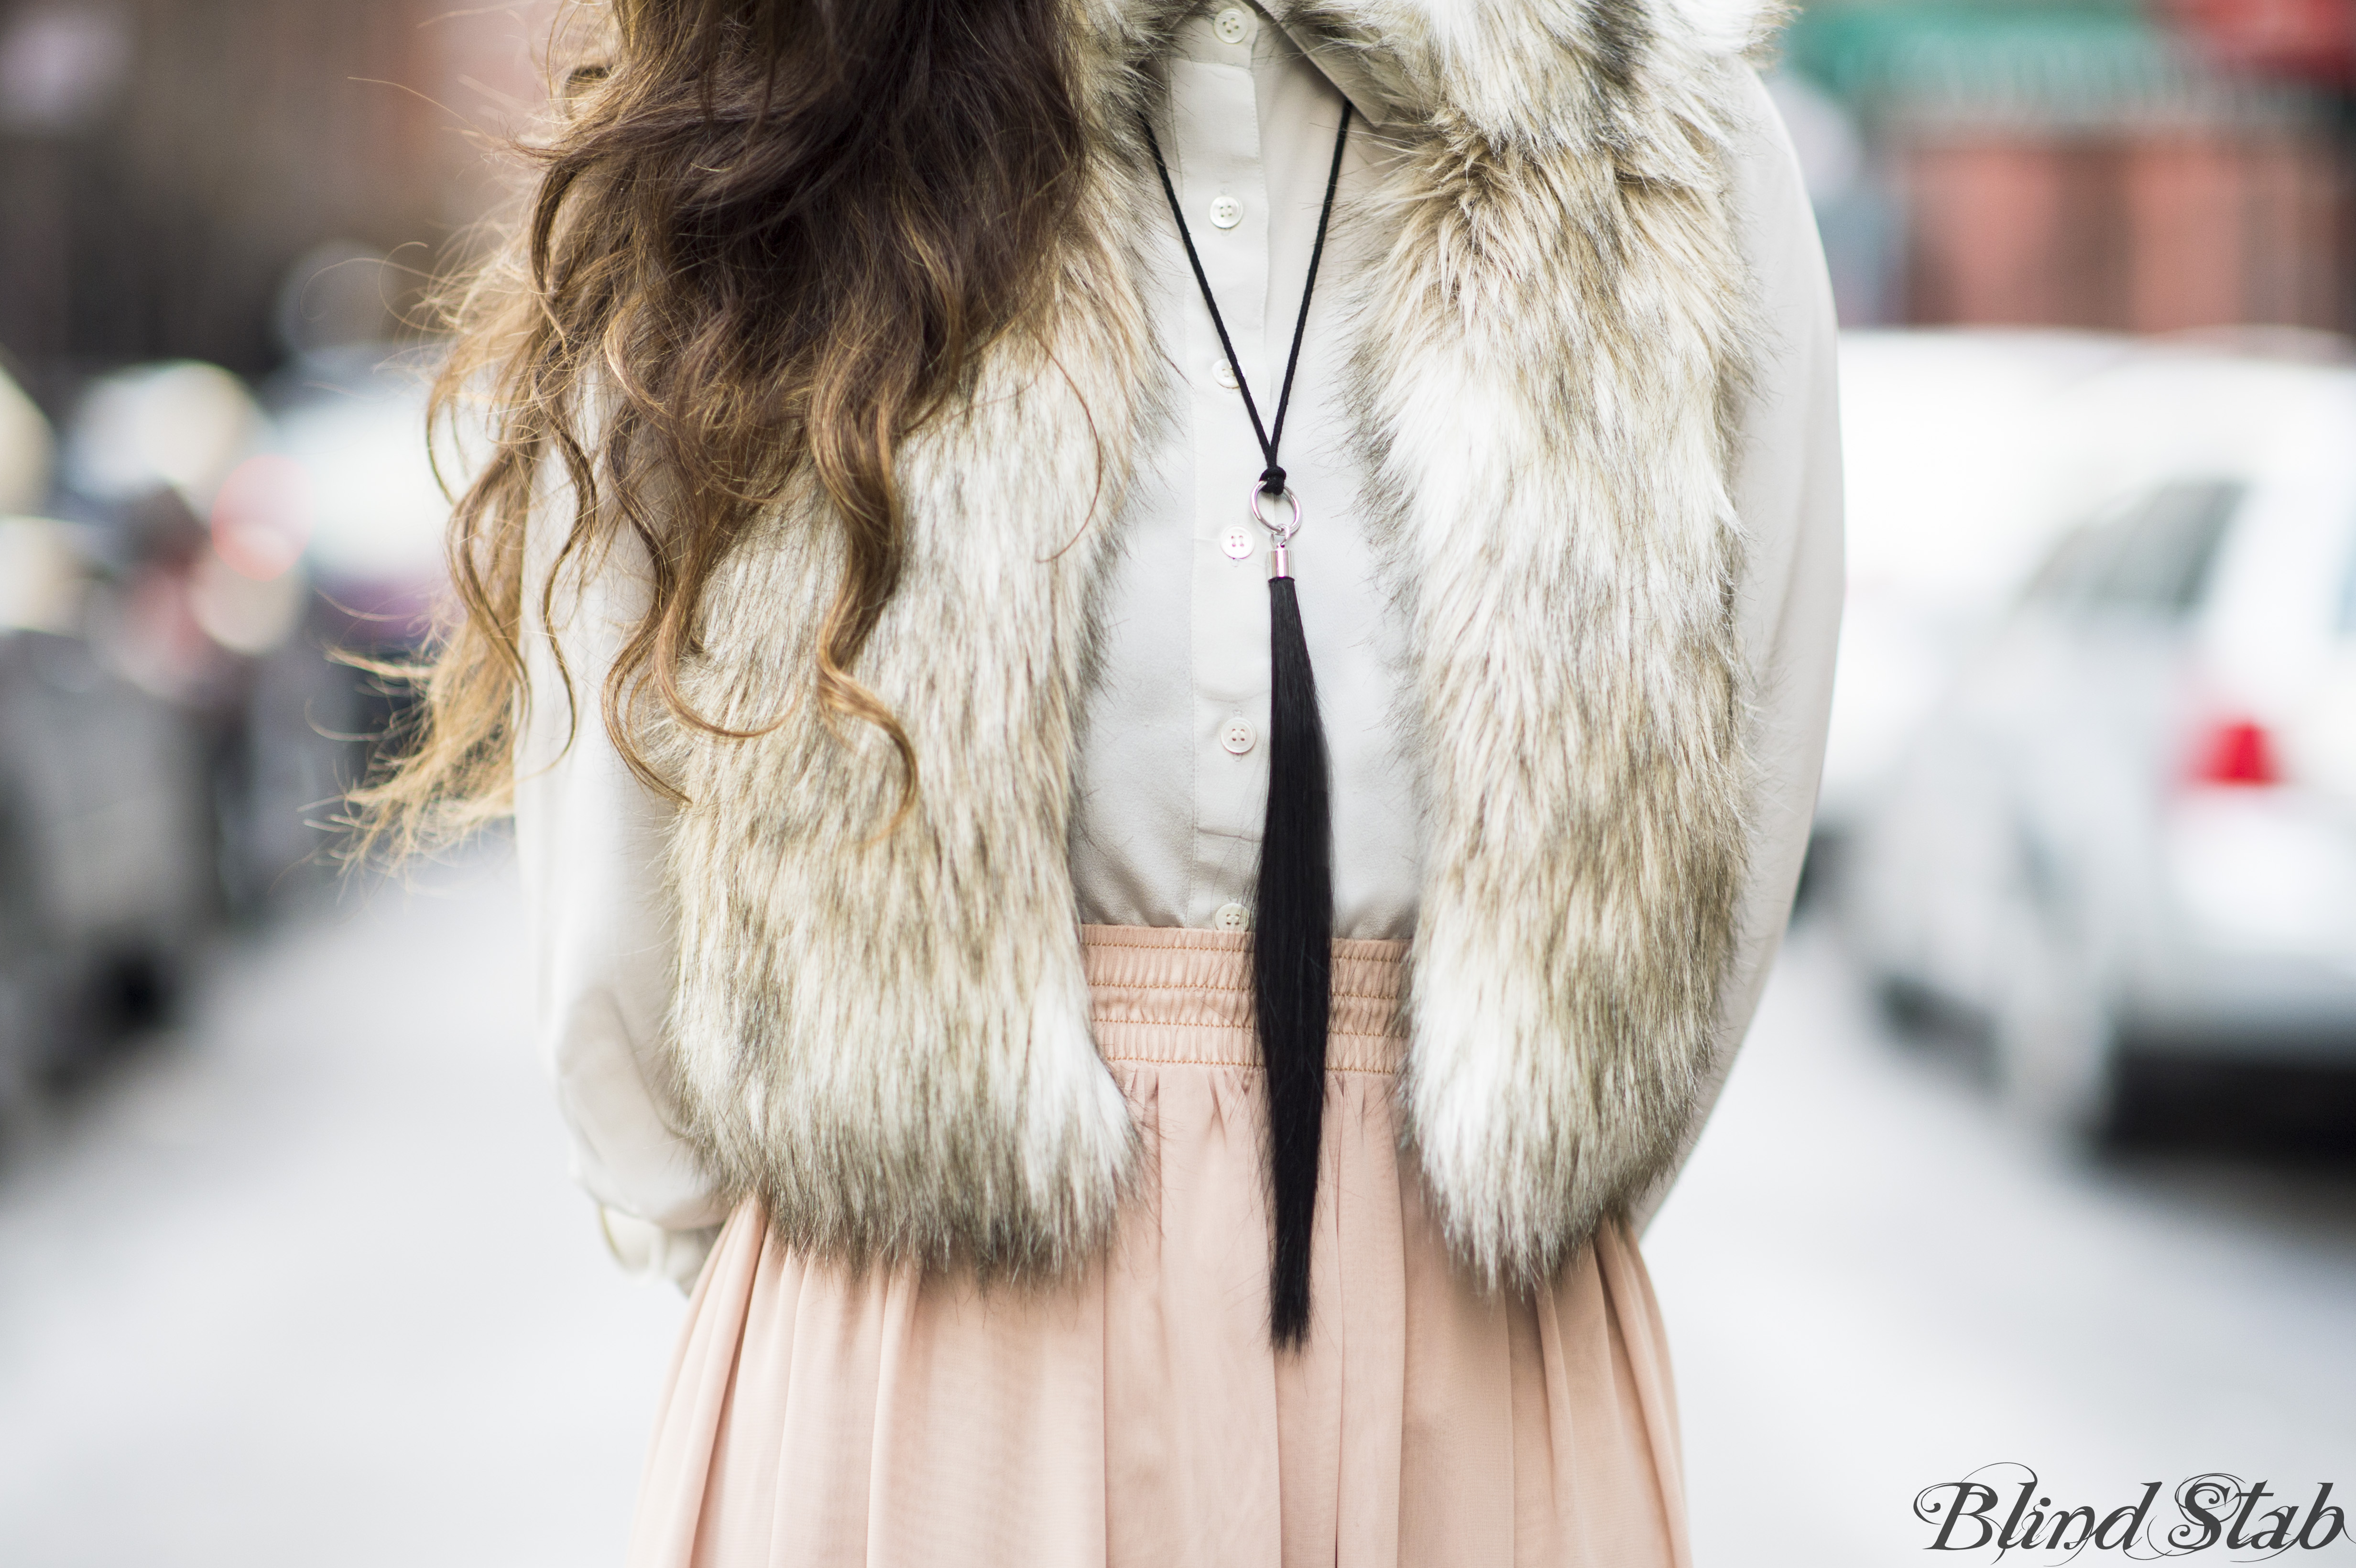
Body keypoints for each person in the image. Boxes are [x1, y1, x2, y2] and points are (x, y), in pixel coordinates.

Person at [361, 0, 1842, 1562]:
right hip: (920, 1329)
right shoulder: (788, 90)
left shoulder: (1665, 144)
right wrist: (831, 1292)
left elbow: (1738, 803)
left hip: (1472, 1336)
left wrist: (1481, 1203)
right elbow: (616, 813)